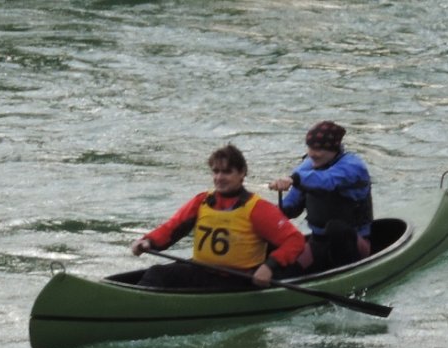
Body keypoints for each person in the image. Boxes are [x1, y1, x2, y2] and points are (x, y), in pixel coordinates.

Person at [131, 144, 305, 289]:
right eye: (216, 172)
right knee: (156, 273)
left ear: (242, 173)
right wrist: (149, 241)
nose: (219, 178)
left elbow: (295, 241)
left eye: (227, 172)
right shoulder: (202, 200)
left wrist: (268, 267)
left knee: (157, 274)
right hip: (202, 271)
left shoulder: (258, 208)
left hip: (237, 280)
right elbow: (173, 227)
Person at [268, 121, 373, 274]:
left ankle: (346, 277)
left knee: (336, 228)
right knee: (280, 265)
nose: (311, 153)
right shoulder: (307, 167)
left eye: (318, 149)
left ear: (334, 149)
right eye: (309, 147)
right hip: (318, 243)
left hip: (354, 243)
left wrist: (293, 179)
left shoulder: (353, 166)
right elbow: (291, 204)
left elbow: (326, 180)